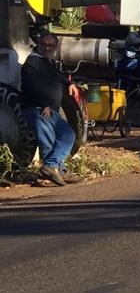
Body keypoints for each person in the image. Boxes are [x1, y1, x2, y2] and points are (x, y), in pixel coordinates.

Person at [21, 34, 81, 186]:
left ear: (56, 47)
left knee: (68, 135)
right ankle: (52, 171)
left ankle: (54, 168)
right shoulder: (33, 61)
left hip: (51, 111)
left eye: (51, 45)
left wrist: (70, 83)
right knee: (47, 142)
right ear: (38, 44)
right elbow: (29, 85)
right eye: (44, 44)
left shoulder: (47, 62)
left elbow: (58, 76)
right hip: (39, 109)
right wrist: (43, 104)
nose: (47, 48)